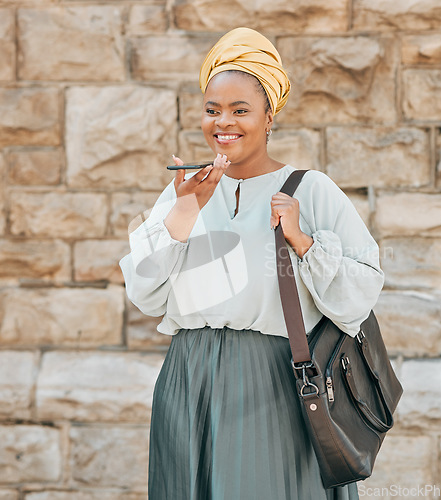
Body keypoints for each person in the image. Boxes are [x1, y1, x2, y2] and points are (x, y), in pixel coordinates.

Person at [120, 27, 384, 500]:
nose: (224, 122)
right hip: (187, 379)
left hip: (274, 384)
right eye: (212, 109)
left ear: (269, 116)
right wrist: (184, 211)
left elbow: (358, 298)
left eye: (241, 110)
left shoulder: (311, 189)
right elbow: (144, 295)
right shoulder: (182, 191)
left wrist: (302, 240)